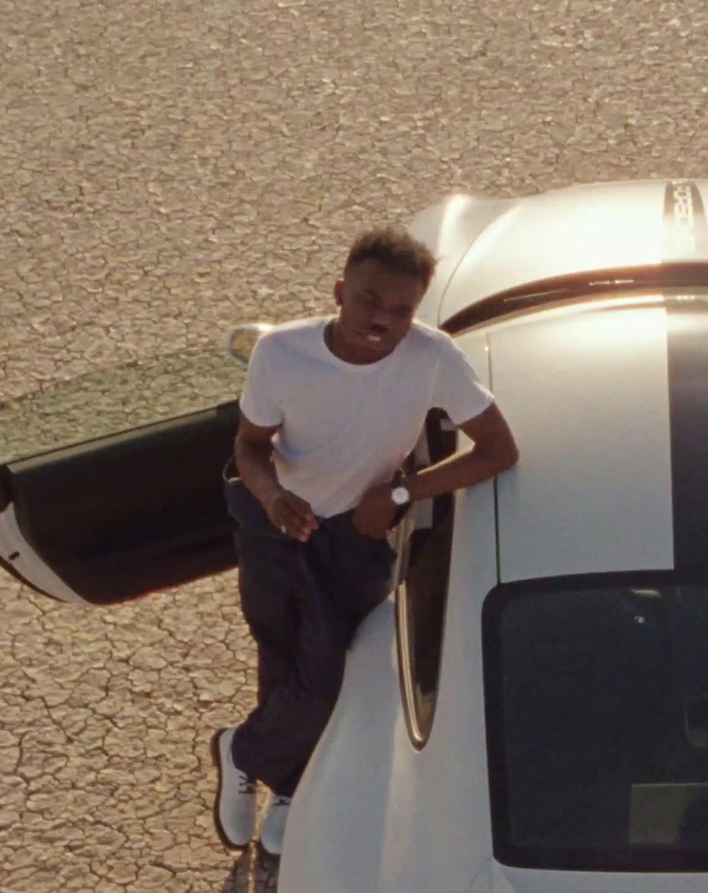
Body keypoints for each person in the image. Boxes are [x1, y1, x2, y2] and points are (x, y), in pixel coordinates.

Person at [211, 227, 519, 856]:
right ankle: (291, 779)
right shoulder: (282, 353)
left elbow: (498, 451)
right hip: (275, 524)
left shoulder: (432, 358)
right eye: (368, 301)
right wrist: (273, 498)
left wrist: (402, 494)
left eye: (400, 310)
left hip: (355, 534)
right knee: (281, 649)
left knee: (328, 670)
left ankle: (241, 750)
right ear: (339, 291)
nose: (381, 320)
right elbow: (249, 445)